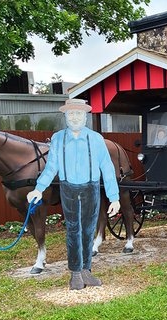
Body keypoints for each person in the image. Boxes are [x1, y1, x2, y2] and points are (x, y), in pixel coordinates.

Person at [27, 99, 120, 290]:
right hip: (68, 188)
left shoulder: (95, 139)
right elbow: (51, 166)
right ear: (66, 116)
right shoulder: (58, 138)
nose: (75, 117)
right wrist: (38, 188)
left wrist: (114, 197)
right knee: (73, 230)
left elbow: (107, 167)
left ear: (85, 117)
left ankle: (86, 270)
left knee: (88, 229)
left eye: (79, 114)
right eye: (71, 114)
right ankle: (75, 273)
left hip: (91, 188)